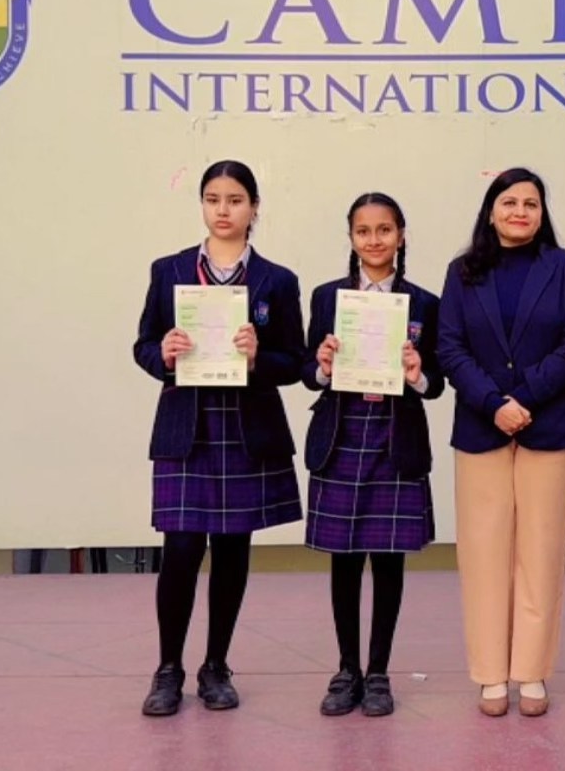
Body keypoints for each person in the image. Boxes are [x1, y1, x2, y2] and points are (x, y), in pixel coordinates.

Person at [132, 159, 306, 716]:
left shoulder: (277, 280)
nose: (223, 210)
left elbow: (295, 362)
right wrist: (161, 354)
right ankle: (168, 669)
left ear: (254, 207)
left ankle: (216, 667)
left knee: (232, 551)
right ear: (202, 206)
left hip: (245, 428)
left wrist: (259, 357)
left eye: (235, 200)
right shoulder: (170, 270)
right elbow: (142, 344)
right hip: (187, 426)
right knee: (181, 551)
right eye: (213, 199)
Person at [437, 167, 565, 717]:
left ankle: (531, 672)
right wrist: (493, 403)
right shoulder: (462, 272)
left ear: (542, 213)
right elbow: (449, 346)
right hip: (481, 427)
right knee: (484, 554)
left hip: (548, 427)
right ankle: (490, 673)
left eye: (531, 203)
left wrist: (524, 397)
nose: (520, 212)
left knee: (540, 553)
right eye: (509, 202)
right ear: (491, 211)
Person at [303, 192, 444, 717]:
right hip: (341, 435)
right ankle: (347, 670)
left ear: (401, 236)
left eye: (384, 230)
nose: (374, 240)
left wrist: (418, 374)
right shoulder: (327, 297)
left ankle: (379, 671)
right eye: (363, 231)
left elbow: (438, 384)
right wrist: (321, 365)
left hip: (395, 437)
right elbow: (306, 372)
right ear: (351, 237)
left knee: (388, 561)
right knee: (343, 560)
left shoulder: (423, 303)